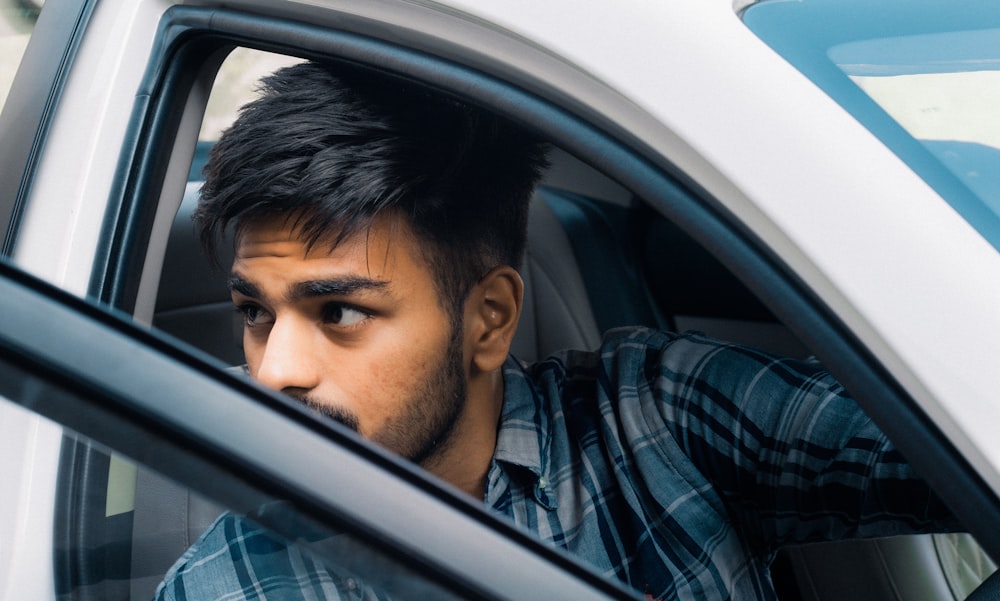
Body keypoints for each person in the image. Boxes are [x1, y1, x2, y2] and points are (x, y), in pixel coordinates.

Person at [154, 61, 955, 601]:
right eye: (255, 311)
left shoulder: (652, 418)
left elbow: (952, 440)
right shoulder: (229, 581)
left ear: (489, 319)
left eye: (340, 313)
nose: (273, 372)